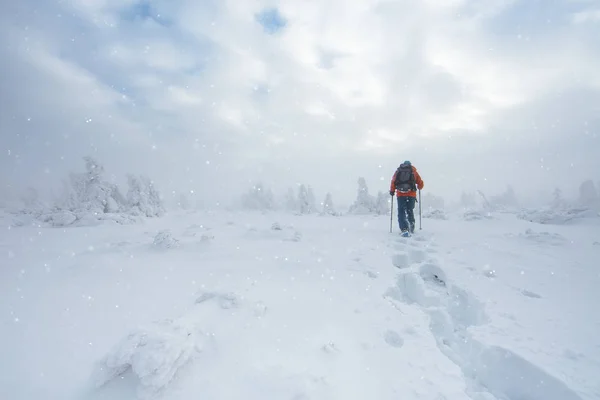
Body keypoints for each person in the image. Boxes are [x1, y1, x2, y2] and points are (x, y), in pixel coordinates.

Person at [389, 160, 424, 235]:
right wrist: (420, 186)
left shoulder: (398, 171)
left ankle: (404, 229)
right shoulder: (413, 171)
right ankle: (411, 227)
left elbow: (393, 181)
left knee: (401, 211)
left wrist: (392, 191)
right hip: (411, 194)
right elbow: (420, 182)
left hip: (401, 194)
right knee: (409, 210)